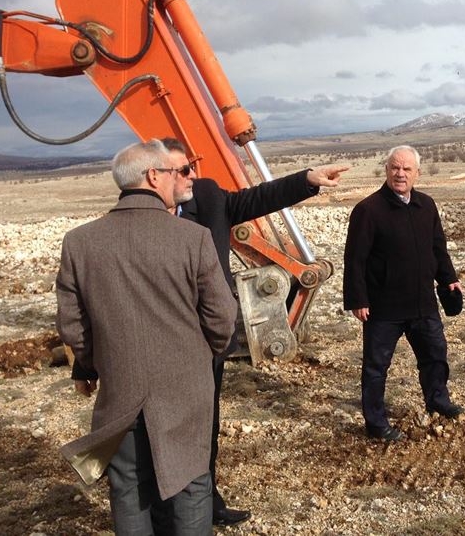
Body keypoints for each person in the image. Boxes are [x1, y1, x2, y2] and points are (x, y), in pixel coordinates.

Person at [56, 139, 238, 535]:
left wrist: (91, 365)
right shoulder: (193, 239)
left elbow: (72, 325)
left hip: (119, 386)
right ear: (153, 176)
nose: (183, 178)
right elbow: (223, 317)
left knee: (128, 489)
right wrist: (202, 355)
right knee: (191, 484)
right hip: (186, 386)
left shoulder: (79, 242)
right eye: (177, 172)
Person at [165, 137, 348, 526]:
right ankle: (165, 508)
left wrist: (307, 181)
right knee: (162, 430)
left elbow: (256, 199)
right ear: (155, 174)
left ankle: (205, 501)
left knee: (206, 425)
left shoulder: (209, 198)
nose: (192, 176)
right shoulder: (140, 217)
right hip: (162, 343)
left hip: (206, 341)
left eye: (191, 167)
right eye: (183, 170)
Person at [343, 145, 463, 442]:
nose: (400, 173)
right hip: (383, 307)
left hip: (423, 302)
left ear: (417, 173)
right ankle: (376, 423)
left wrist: (450, 280)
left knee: (435, 356)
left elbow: (438, 249)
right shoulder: (368, 210)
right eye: (395, 168)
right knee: (376, 368)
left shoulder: (427, 206)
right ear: (386, 171)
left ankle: (437, 400)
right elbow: (355, 259)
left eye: (407, 169)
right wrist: (358, 299)